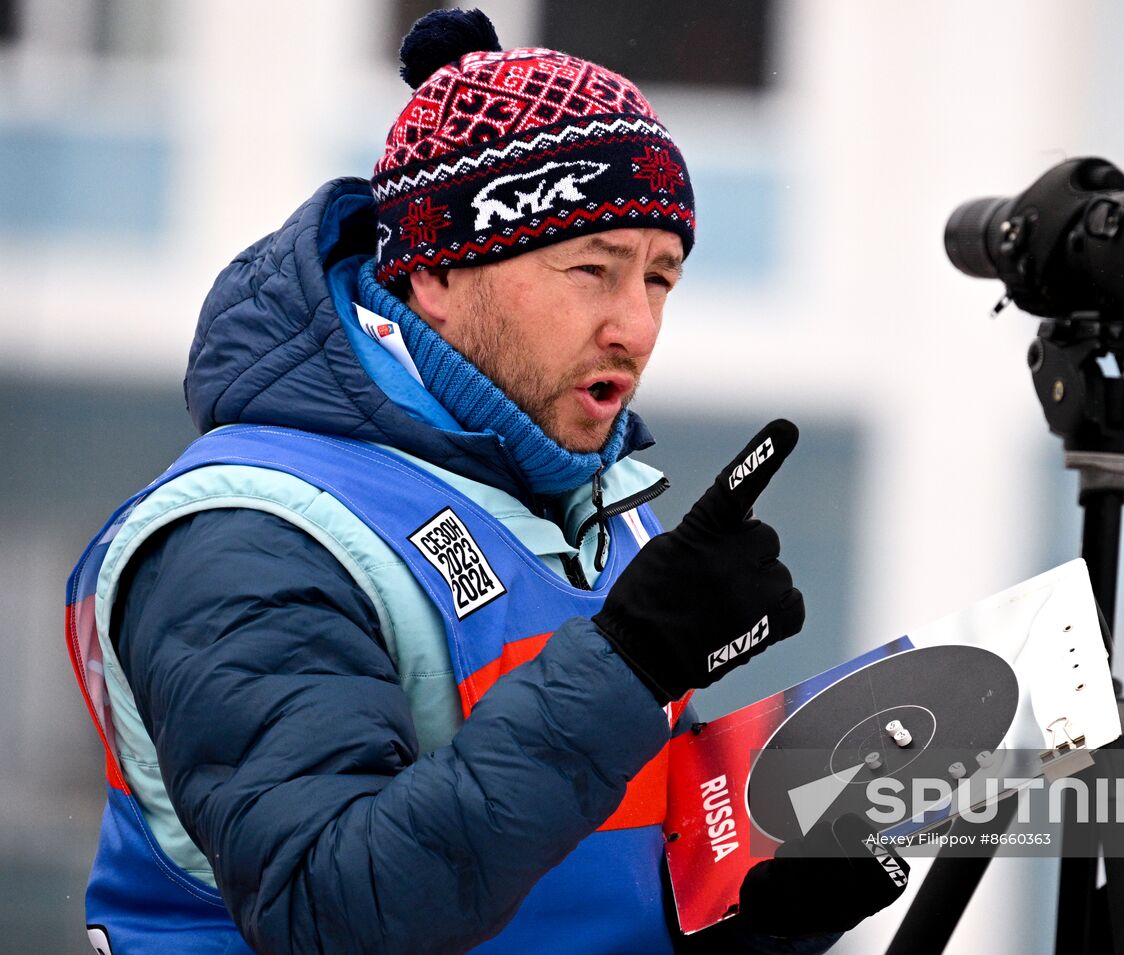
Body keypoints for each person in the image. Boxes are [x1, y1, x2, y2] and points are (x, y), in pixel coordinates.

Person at [66, 10, 907, 953]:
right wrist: (634, 659)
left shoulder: (592, 504)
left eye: (660, 279)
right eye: (592, 268)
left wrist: (739, 913)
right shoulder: (251, 527)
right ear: (434, 271)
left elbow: (586, 870)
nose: (634, 325)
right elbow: (335, 911)